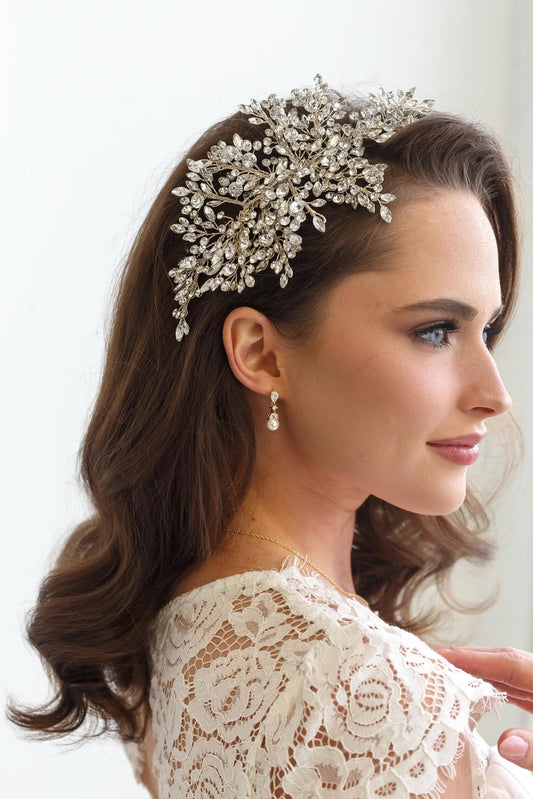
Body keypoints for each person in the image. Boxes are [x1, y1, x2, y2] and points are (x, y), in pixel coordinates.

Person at [8, 76, 533, 797]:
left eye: (487, 329)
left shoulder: (197, 630)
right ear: (260, 352)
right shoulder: (355, 687)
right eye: (435, 330)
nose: (492, 394)